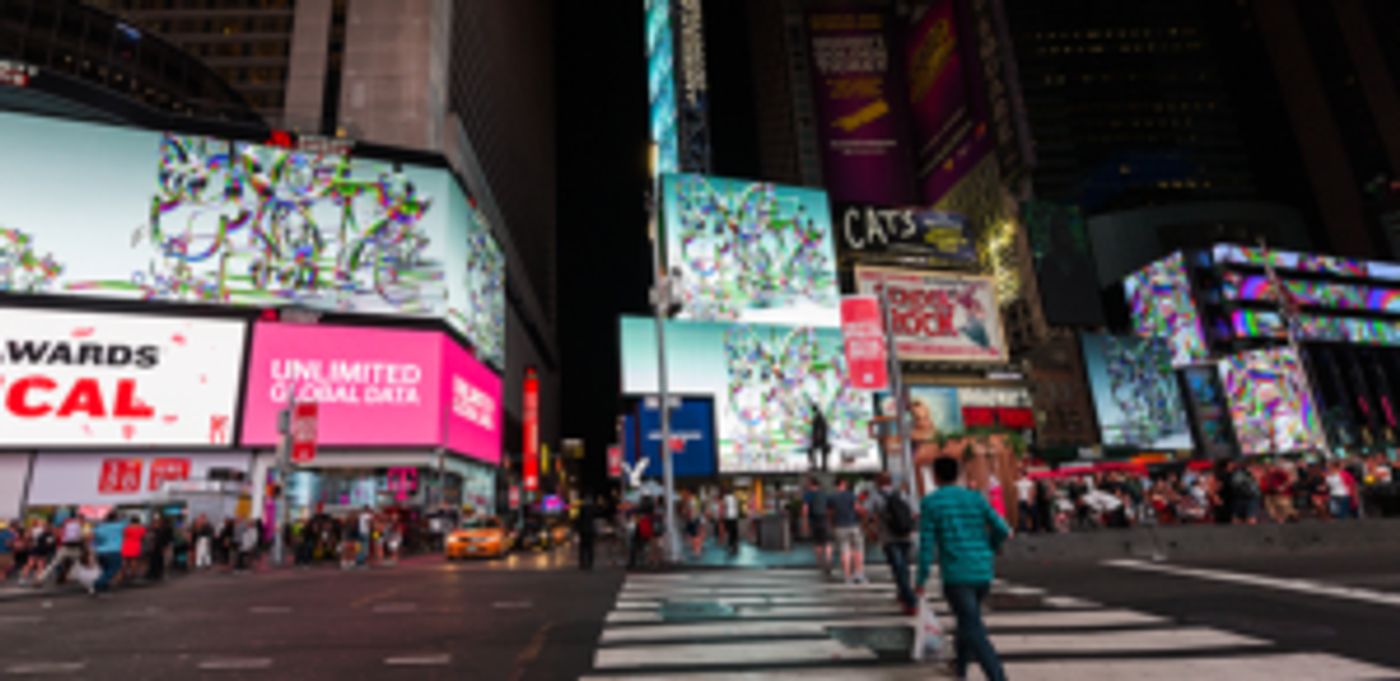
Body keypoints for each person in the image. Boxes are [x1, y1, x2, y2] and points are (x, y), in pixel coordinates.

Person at [915, 457, 1011, 681]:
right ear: (958, 475)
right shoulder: (975, 498)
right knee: (967, 620)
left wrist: (920, 580)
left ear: (935, 476)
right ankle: (959, 668)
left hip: (957, 574)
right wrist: (991, 547)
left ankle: (997, 676)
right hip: (982, 570)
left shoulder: (931, 503)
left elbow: (926, 545)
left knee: (972, 626)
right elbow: (1002, 529)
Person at [865, 473, 916, 614]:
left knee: (897, 568)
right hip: (906, 536)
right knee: (904, 567)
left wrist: (871, 528)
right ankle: (903, 593)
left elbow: (866, 512)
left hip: (889, 538)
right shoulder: (903, 494)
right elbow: (915, 512)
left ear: (877, 482)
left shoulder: (875, 497)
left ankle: (910, 600)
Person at [829, 478, 866, 584]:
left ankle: (847, 576)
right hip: (853, 525)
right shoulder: (851, 495)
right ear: (843, 483)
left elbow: (829, 512)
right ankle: (859, 574)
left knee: (845, 551)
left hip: (839, 526)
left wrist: (832, 523)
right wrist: (863, 514)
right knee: (858, 550)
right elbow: (857, 509)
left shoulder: (832, 497)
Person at [37, 511, 85, 586]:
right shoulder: (78, 525)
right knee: (80, 564)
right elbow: (81, 537)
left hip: (64, 547)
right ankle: (88, 584)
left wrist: (52, 540)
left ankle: (40, 578)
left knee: (53, 564)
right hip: (75, 549)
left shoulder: (66, 523)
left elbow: (58, 534)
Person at [801, 478, 831, 572]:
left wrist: (805, 522)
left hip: (814, 520)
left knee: (817, 542)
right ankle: (828, 560)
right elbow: (829, 508)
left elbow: (805, 509)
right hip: (824, 519)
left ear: (811, 484)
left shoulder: (808, 494)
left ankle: (820, 562)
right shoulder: (824, 494)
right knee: (827, 542)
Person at [92, 512, 126, 593]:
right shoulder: (120, 526)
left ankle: (104, 585)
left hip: (100, 551)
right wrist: (121, 517)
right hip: (114, 550)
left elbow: (95, 538)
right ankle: (98, 583)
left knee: (105, 569)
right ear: (115, 518)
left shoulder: (99, 527)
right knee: (113, 569)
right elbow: (126, 520)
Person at [120, 517, 146, 583]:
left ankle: (124, 574)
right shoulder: (142, 528)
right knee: (134, 560)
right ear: (139, 521)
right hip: (136, 545)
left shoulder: (126, 528)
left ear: (131, 521)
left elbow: (123, 536)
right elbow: (142, 537)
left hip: (126, 545)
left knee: (125, 560)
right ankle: (132, 575)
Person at [576, 497, 597, 571]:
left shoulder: (582, 509)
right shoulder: (592, 510)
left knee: (583, 548)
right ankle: (589, 563)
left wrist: (578, 529)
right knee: (590, 548)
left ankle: (583, 563)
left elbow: (578, 520)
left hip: (583, 531)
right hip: (589, 530)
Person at [721, 488, 741, 555]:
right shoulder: (735, 498)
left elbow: (724, 507)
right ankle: (735, 546)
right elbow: (737, 507)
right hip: (735, 517)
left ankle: (729, 545)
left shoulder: (725, 497)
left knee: (728, 531)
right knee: (734, 531)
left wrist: (723, 516)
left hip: (728, 517)